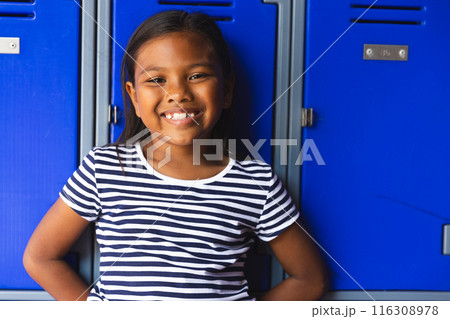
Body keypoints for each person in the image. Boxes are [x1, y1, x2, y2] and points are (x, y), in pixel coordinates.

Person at [23, 10, 327, 301]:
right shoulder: (104, 169)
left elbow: (310, 279)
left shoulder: (257, 182)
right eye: (157, 80)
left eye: (197, 76)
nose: (178, 93)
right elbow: (40, 257)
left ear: (228, 90)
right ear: (134, 97)